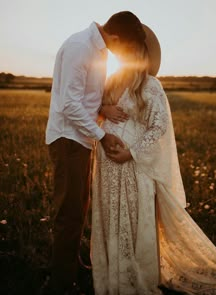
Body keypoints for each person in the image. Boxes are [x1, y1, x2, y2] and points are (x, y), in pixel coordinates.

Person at [91, 24, 216, 294]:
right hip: (108, 167)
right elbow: (89, 109)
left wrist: (130, 152)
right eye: (123, 51)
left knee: (135, 222)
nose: (126, 55)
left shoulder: (150, 85)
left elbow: (159, 127)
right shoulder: (109, 81)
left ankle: (136, 277)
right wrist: (102, 107)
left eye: (131, 51)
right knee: (111, 218)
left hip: (134, 166)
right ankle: (115, 275)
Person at [45, 11, 146, 294]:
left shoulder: (99, 50)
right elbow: (69, 104)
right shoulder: (80, 47)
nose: (123, 54)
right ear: (114, 36)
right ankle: (61, 283)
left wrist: (103, 109)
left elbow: (87, 98)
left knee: (80, 207)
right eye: (125, 47)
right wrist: (102, 135)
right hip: (67, 139)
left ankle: (71, 265)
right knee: (69, 212)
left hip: (80, 138)